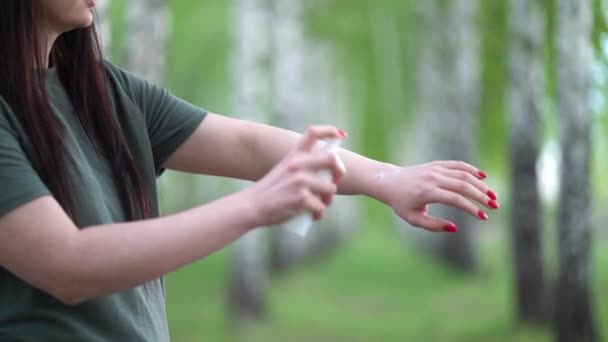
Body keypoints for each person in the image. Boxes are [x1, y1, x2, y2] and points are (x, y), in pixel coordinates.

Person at [0, 1, 500, 341]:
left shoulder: (105, 92)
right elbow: (67, 266)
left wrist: (387, 179)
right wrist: (254, 207)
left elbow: (247, 144)